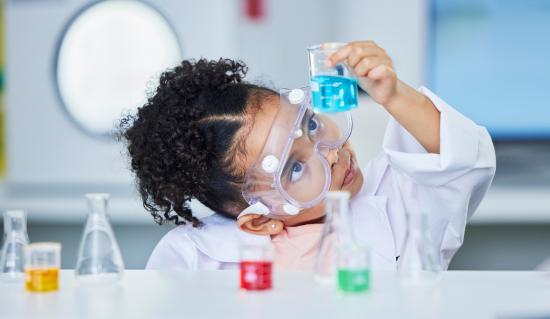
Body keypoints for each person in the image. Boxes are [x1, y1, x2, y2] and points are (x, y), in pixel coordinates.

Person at [117, 41, 496, 271]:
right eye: (294, 168)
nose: (329, 154)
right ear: (259, 222)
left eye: (311, 125)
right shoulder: (194, 257)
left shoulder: (397, 198)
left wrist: (395, 96)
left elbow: (464, 163)